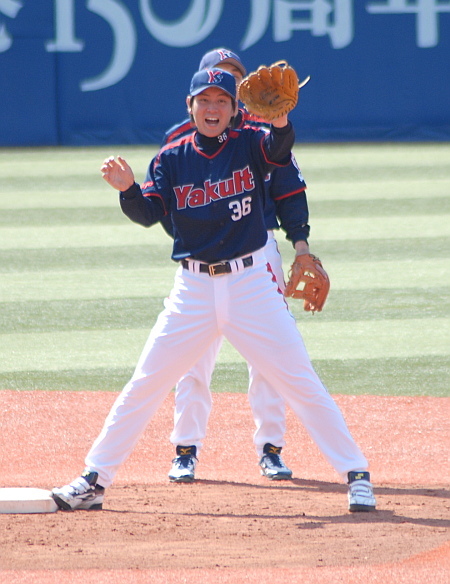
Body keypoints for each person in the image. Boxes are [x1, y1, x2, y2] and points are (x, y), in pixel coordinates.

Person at [51, 67, 376, 513]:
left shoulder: (250, 144)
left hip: (250, 286)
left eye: (221, 101)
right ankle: (94, 479)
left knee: (300, 381)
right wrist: (128, 190)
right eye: (204, 101)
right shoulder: (170, 158)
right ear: (190, 107)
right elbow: (149, 214)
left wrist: (281, 122)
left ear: (234, 109)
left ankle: (356, 474)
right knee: (145, 384)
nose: (212, 108)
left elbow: (279, 151)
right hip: (193, 291)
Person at [162, 49, 310, 483]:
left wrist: (300, 245)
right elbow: (163, 197)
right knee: (192, 358)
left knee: (268, 356)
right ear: (195, 96)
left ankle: (271, 448)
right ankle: (185, 450)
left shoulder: (264, 134)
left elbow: (289, 190)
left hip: (257, 252)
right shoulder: (178, 139)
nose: (221, 90)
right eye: (212, 84)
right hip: (199, 259)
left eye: (232, 80)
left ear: (243, 90)